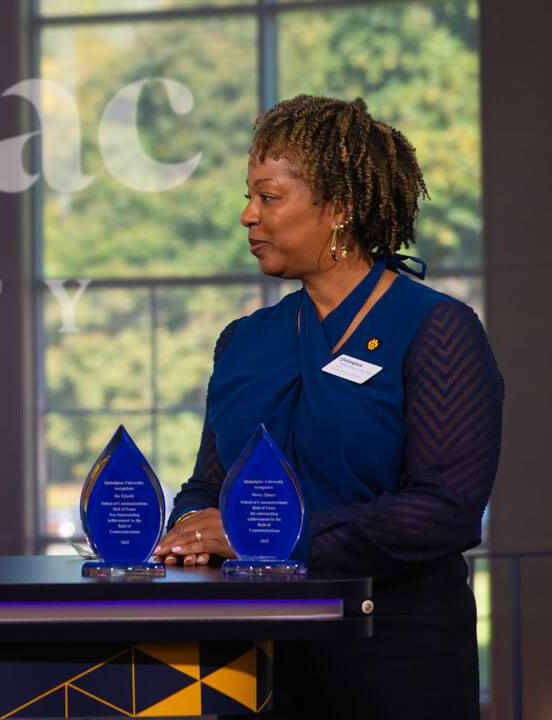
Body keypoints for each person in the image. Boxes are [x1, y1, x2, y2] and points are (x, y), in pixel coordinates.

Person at [153, 95, 502, 719]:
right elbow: (208, 483)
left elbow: (444, 512)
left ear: (339, 209)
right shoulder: (244, 338)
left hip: (392, 658)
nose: (246, 215)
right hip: (246, 661)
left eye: (269, 197)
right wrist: (193, 526)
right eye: (248, 196)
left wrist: (267, 537)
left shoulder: (437, 328)